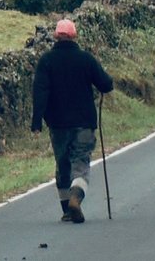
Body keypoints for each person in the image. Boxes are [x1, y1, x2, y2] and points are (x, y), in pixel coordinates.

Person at [31, 17, 114, 224]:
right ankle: (76, 197)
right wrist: (105, 83)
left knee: (62, 164)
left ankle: (67, 210)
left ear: (56, 36)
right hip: (84, 122)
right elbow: (105, 83)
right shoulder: (86, 59)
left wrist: (36, 122)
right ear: (74, 36)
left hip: (58, 124)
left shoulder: (46, 60)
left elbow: (40, 92)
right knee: (81, 163)